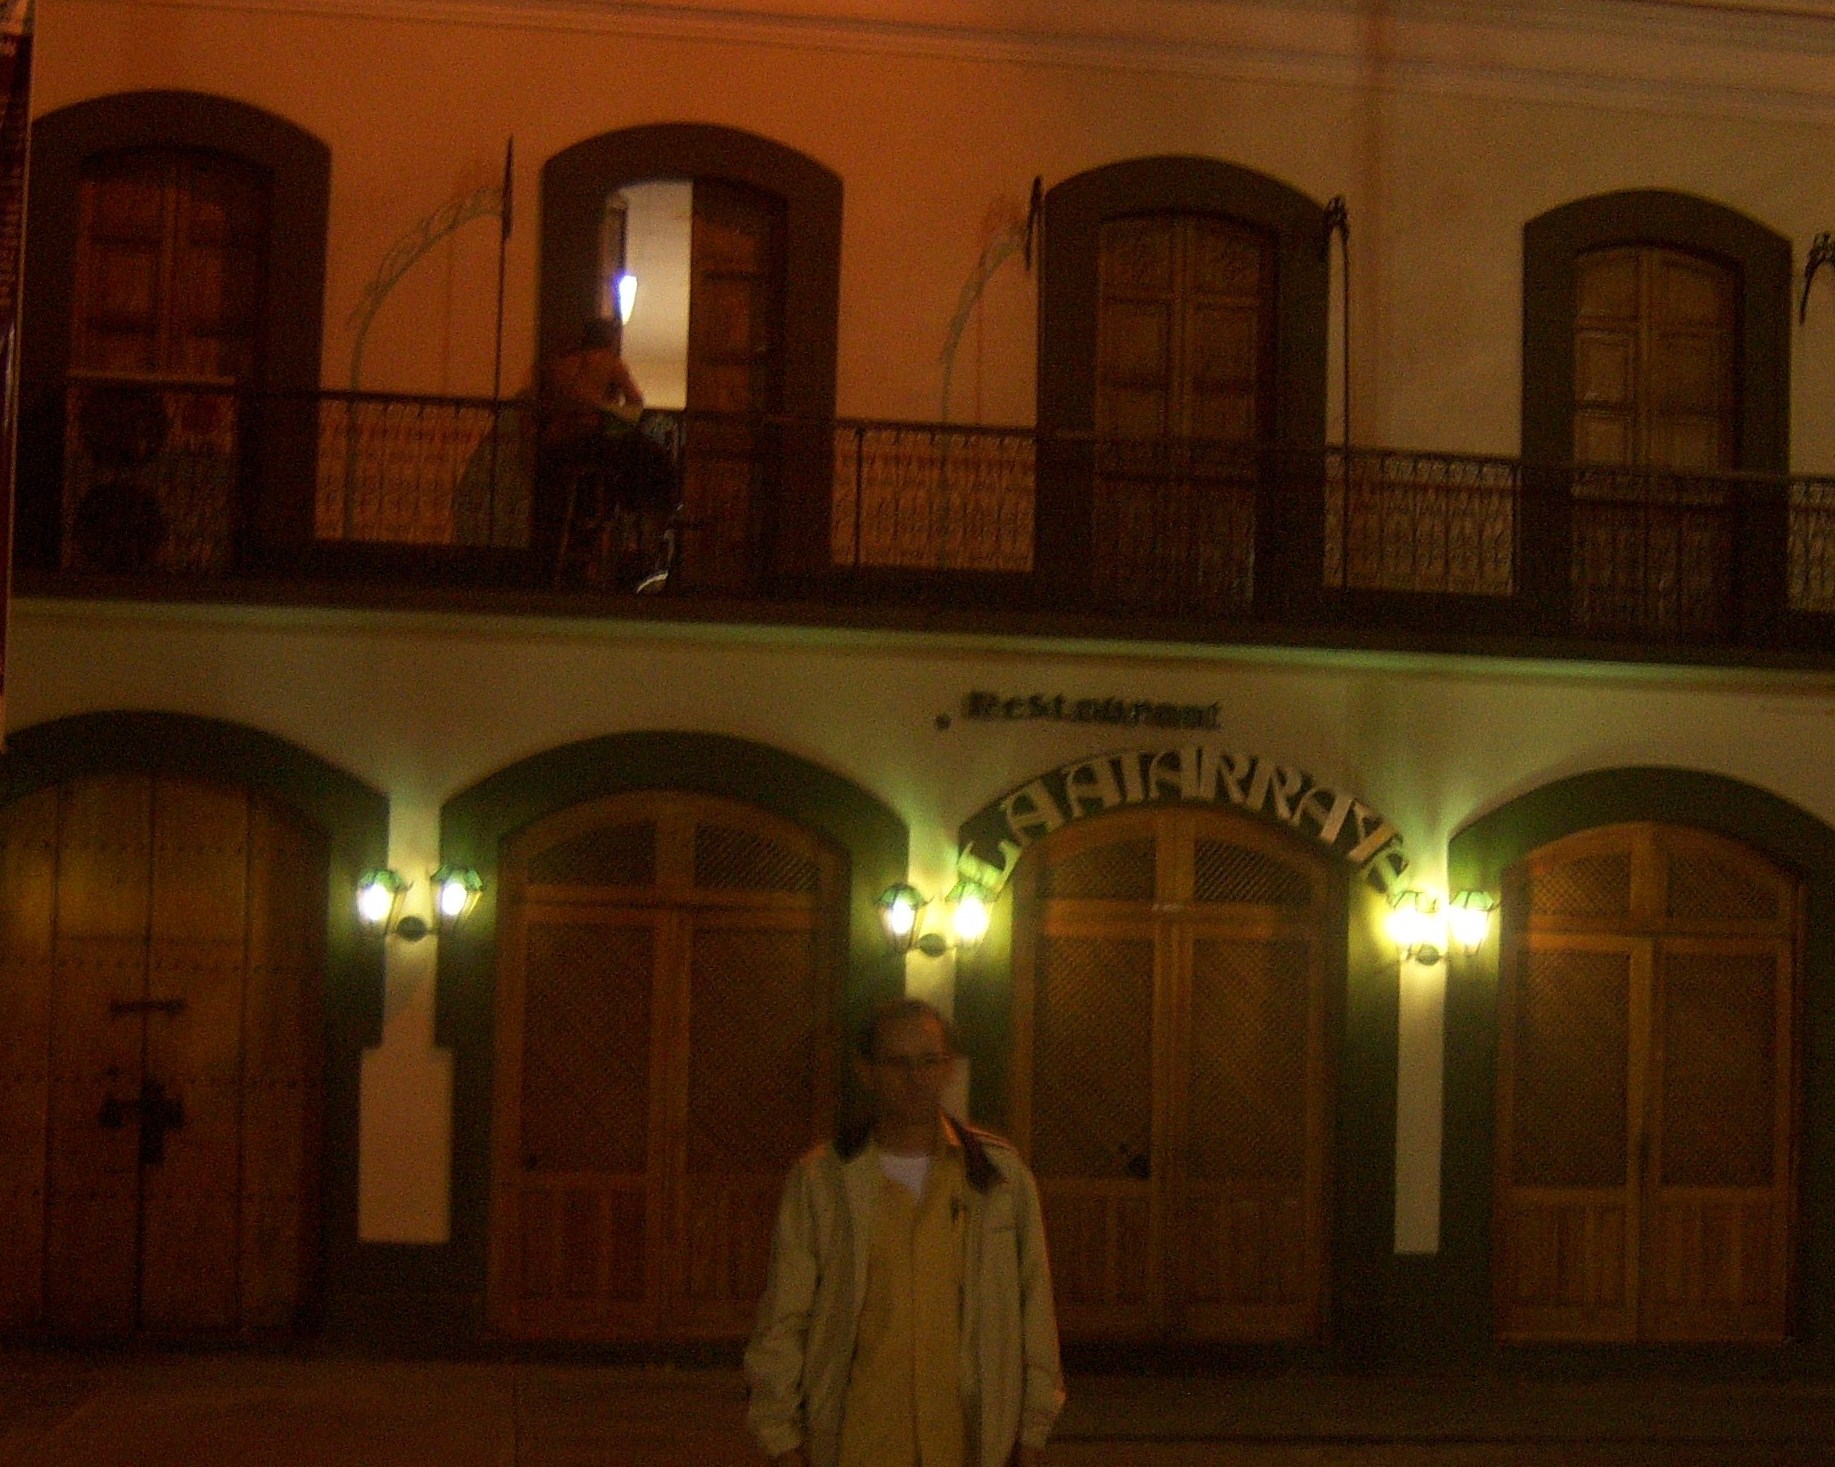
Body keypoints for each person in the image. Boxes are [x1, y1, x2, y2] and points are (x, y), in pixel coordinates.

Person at [745, 997, 1064, 1467]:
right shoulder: (823, 1181)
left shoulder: (997, 1179)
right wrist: (781, 1435)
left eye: (929, 1062)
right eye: (897, 1063)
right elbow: (786, 1314)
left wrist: (1033, 1429)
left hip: (966, 1440)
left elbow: (1034, 1306)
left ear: (949, 1067)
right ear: (867, 1071)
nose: (916, 1078)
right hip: (860, 1438)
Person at [534, 316, 676, 582]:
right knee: (651, 459)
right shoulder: (609, 362)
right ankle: (635, 520)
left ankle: (591, 526)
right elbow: (635, 402)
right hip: (593, 444)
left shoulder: (559, 364)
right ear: (611, 339)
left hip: (557, 448)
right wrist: (610, 411)